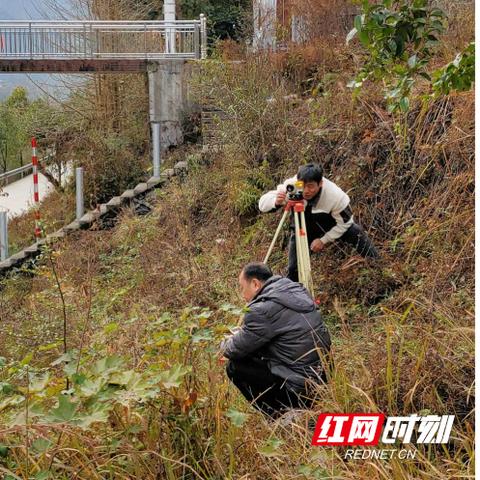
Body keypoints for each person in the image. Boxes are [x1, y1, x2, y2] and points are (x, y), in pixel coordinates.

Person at [221, 262, 331, 418]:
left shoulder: (261, 310)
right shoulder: (295, 290)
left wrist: (225, 340)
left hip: (298, 389)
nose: (242, 295)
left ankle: (281, 416)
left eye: (242, 288)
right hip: (321, 379)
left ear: (255, 284)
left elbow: (233, 349)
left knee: (235, 366)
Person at [259, 163, 379, 282]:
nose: (306, 190)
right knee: (294, 269)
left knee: (355, 231)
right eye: (303, 185)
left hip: (330, 225)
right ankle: (295, 295)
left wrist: (324, 240)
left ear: (320, 183)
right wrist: (276, 201)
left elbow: (345, 223)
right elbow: (262, 204)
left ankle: (378, 267)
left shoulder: (335, 196)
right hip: (301, 227)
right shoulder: (293, 185)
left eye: (310, 186)